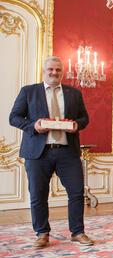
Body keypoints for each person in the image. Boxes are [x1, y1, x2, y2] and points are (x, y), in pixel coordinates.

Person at [9, 56, 93, 248]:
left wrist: (76, 125)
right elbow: (13, 117)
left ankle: (78, 232)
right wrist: (33, 126)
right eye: (51, 70)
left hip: (67, 151)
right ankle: (42, 233)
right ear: (44, 71)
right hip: (39, 152)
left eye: (58, 70)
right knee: (38, 194)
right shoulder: (28, 92)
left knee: (77, 192)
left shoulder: (74, 94)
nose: (54, 73)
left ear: (62, 72)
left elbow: (84, 119)